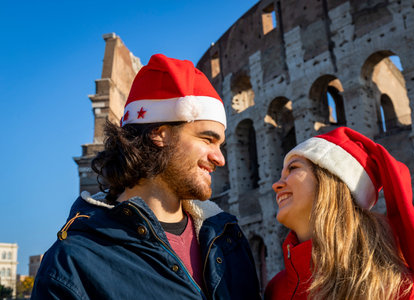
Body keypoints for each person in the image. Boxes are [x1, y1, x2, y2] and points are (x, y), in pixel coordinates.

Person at [31, 54, 261, 300]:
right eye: (207, 139)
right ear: (159, 134)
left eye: (220, 144)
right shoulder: (72, 264)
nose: (220, 158)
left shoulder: (228, 240)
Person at [265, 127, 414, 300]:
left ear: (331, 182)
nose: (276, 184)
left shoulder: (400, 289)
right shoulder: (275, 289)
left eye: (293, 168)